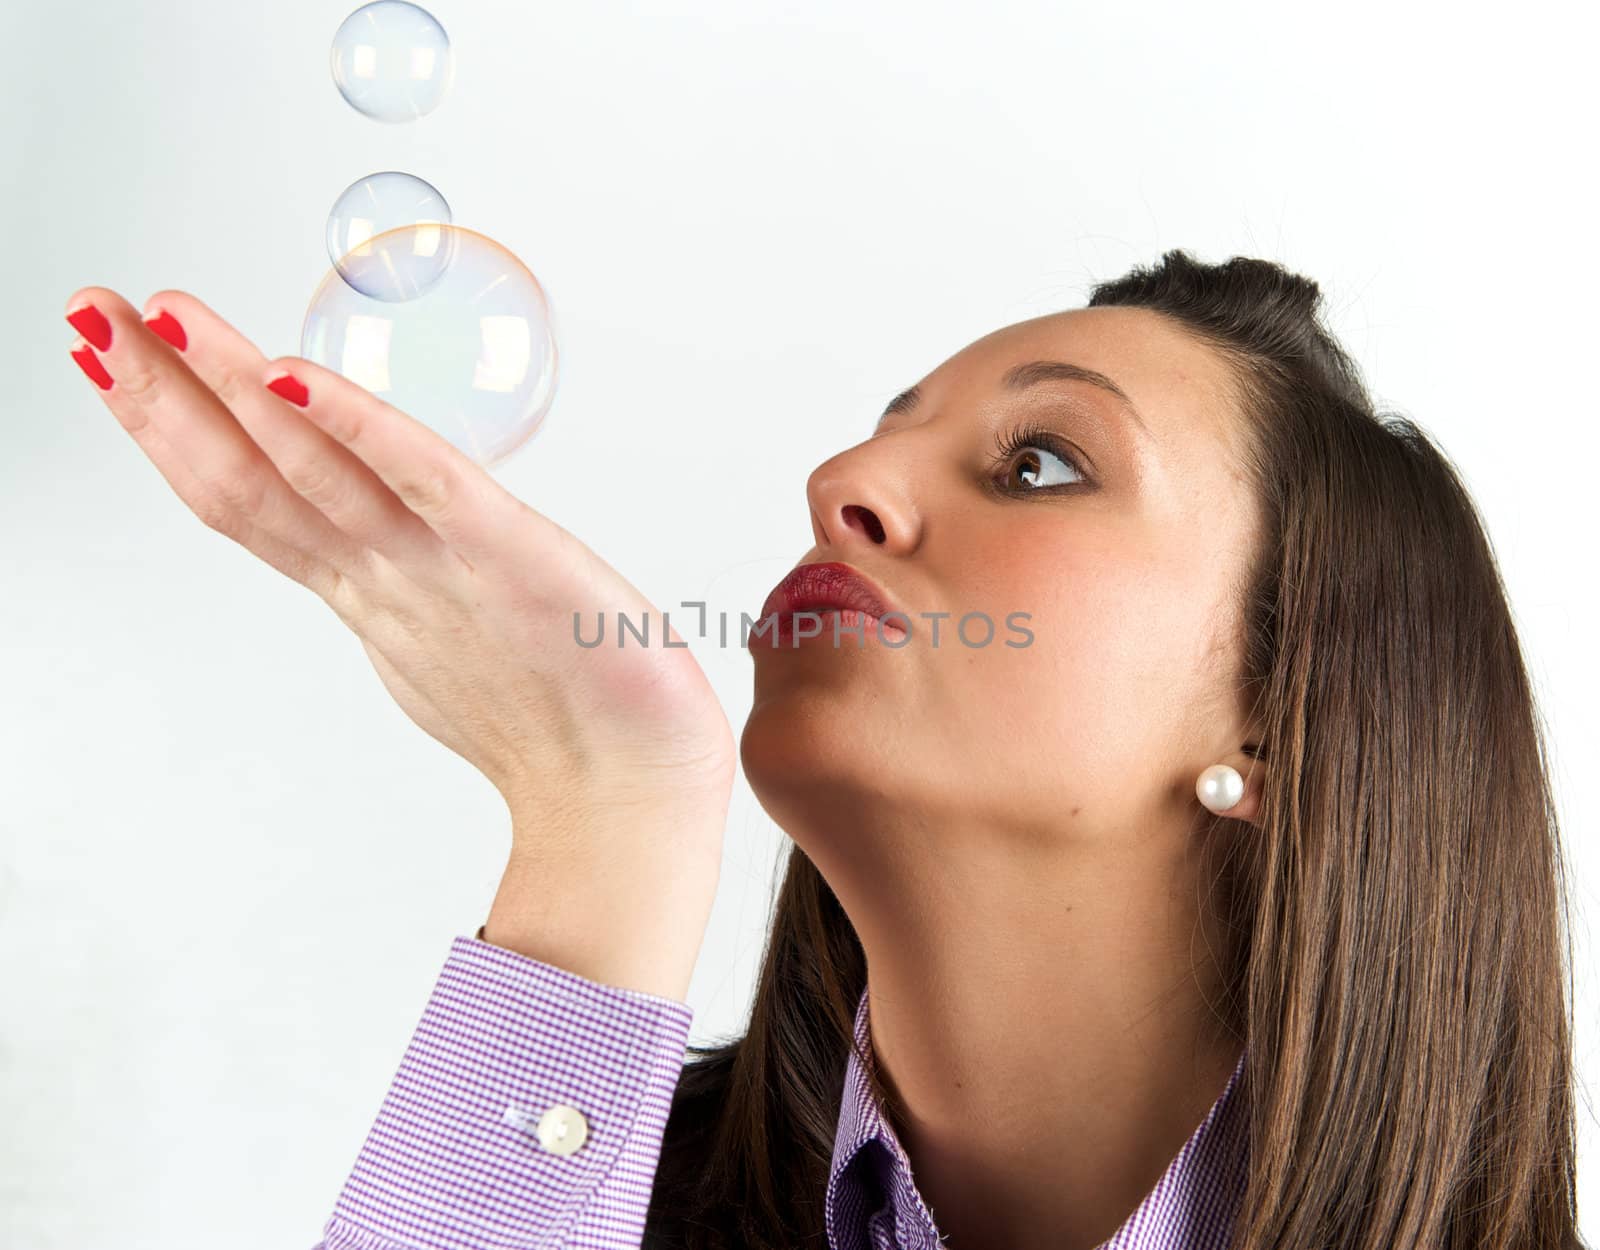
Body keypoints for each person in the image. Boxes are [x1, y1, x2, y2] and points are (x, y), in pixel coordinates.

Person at [64, 249, 1587, 1250]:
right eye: (879, 432)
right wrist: (610, 808)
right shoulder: (570, 1193)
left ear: (1277, 711)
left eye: (1039, 462)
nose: (842, 478)